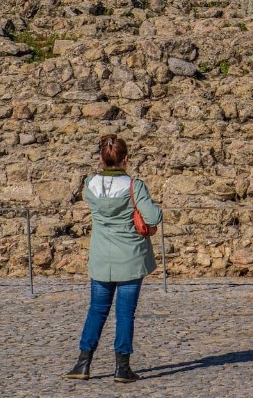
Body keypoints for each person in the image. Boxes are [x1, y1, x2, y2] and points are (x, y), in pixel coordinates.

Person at [64, 134, 162, 383]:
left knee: (96, 310)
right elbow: (153, 217)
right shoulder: (134, 186)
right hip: (130, 258)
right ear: (125, 158)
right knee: (125, 313)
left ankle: (83, 363)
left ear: (101, 157)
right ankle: (122, 368)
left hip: (101, 257)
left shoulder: (90, 184)